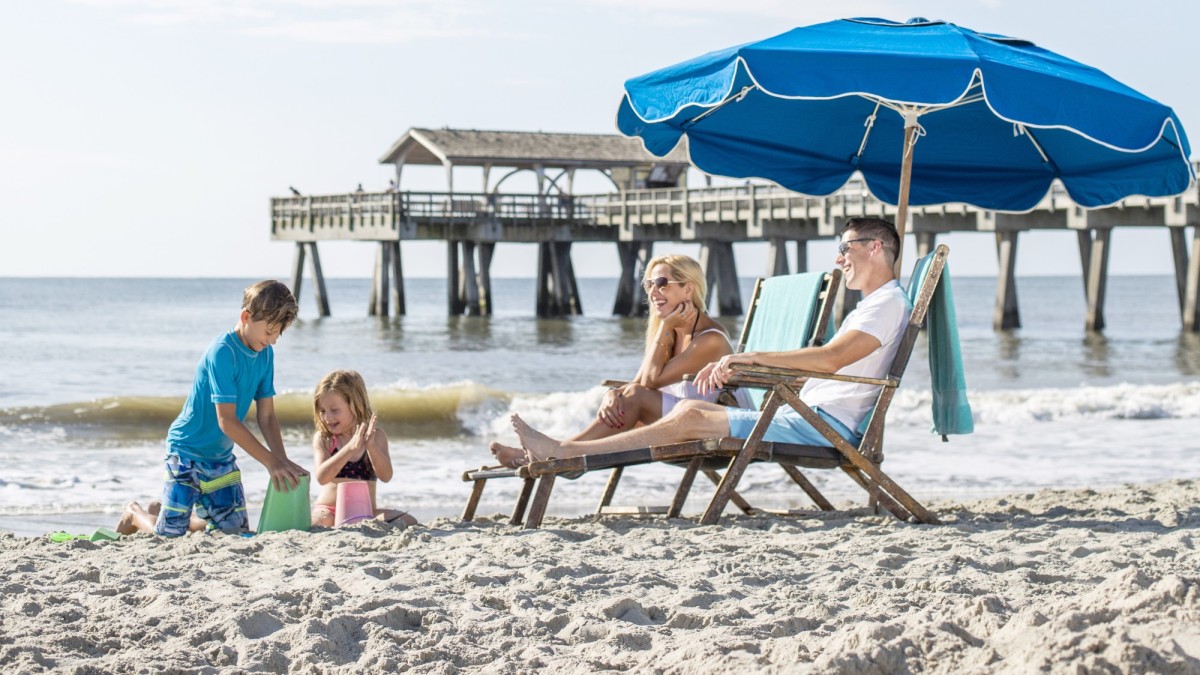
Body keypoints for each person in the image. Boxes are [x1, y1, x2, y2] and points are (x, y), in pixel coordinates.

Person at [492, 217, 910, 468]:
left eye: (844, 248)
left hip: (821, 426)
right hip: (807, 415)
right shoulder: (873, 305)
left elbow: (832, 358)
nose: (839, 258)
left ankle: (566, 453)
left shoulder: (887, 303)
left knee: (691, 414)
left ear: (874, 248)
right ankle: (565, 453)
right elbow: (830, 364)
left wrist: (752, 357)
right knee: (683, 409)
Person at [489, 255, 750, 460]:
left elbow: (647, 383)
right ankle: (548, 454)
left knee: (632, 398)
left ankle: (560, 453)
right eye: (649, 284)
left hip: (717, 426)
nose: (653, 291)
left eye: (662, 284)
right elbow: (641, 382)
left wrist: (665, 327)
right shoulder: (678, 330)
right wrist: (613, 393)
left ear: (687, 289)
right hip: (682, 421)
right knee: (625, 400)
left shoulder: (710, 338)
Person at [117, 280, 308, 536]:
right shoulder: (223, 352)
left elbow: (267, 415)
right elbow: (227, 421)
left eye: (278, 334)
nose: (272, 341)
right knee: (169, 536)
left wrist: (282, 460)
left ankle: (165, 509)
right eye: (269, 331)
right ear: (246, 317)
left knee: (232, 534)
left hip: (220, 459)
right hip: (185, 453)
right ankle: (135, 513)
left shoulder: (265, 355)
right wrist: (270, 462)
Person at [310, 370, 417, 528]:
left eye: (334, 410)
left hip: (364, 513)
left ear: (355, 405)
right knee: (320, 521)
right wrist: (350, 449)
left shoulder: (376, 436)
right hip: (330, 510)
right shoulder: (324, 439)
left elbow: (386, 476)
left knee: (409, 521)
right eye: (323, 411)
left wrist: (371, 447)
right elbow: (322, 478)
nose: (327, 417)